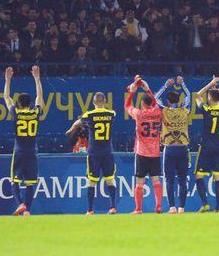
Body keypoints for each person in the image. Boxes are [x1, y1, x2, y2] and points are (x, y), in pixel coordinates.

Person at [66, 92, 118, 215]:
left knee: (92, 181)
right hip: (107, 151)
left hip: (94, 152)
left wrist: (71, 129)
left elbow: (78, 122)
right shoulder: (111, 114)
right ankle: (112, 207)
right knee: (110, 179)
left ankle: (90, 210)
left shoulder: (88, 115)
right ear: (105, 101)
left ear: (93, 102)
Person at [2, 65, 44, 217]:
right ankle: (27, 210)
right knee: (30, 183)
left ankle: (20, 203)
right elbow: (40, 97)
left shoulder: (16, 113)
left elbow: (6, 97)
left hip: (19, 151)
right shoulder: (35, 113)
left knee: (15, 181)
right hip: (32, 151)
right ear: (30, 103)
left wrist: (8, 80)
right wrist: (37, 79)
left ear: (18, 103)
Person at [124, 75, 163, 214]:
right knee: (156, 180)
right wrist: (147, 89)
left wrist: (132, 91)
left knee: (140, 182)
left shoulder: (139, 114)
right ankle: (158, 206)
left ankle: (138, 208)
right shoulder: (158, 112)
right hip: (155, 153)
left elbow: (127, 106)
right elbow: (156, 103)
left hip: (142, 152)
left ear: (142, 104)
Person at [154, 76, 192, 214]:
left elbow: (154, 98)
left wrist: (166, 85)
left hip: (169, 149)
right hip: (183, 148)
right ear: (178, 100)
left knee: (169, 179)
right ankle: (182, 207)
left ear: (168, 101)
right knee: (182, 179)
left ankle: (172, 207)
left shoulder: (164, 111)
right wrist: (182, 84)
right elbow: (189, 96)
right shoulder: (184, 110)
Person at [193, 75, 219, 212]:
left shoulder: (207, 110)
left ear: (209, 99)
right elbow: (217, 101)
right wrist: (217, 90)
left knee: (199, 175)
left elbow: (197, 95)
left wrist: (211, 84)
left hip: (206, 147)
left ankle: (205, 203)